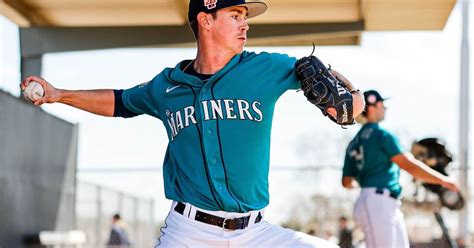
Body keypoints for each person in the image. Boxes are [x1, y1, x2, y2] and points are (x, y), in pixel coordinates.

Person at [21, 0, 365, 247]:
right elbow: (121, 100)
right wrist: (58, 94)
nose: (245, 23)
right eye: (235, 14)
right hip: (189, 232)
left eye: (245, 16)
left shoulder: (266, 68)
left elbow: (335, 86)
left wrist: (353, 97)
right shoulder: (166, 86)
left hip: (256, 232)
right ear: (206, 19)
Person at [342, 90, 459, 248]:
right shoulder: (380, 134)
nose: (385, 108)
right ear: (372, 106)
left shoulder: (354, 142)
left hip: (377, 201)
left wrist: (366, 184)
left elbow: (347, 182)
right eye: (382, 104)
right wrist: (443, 180)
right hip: (378, 203)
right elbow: (409, 165)